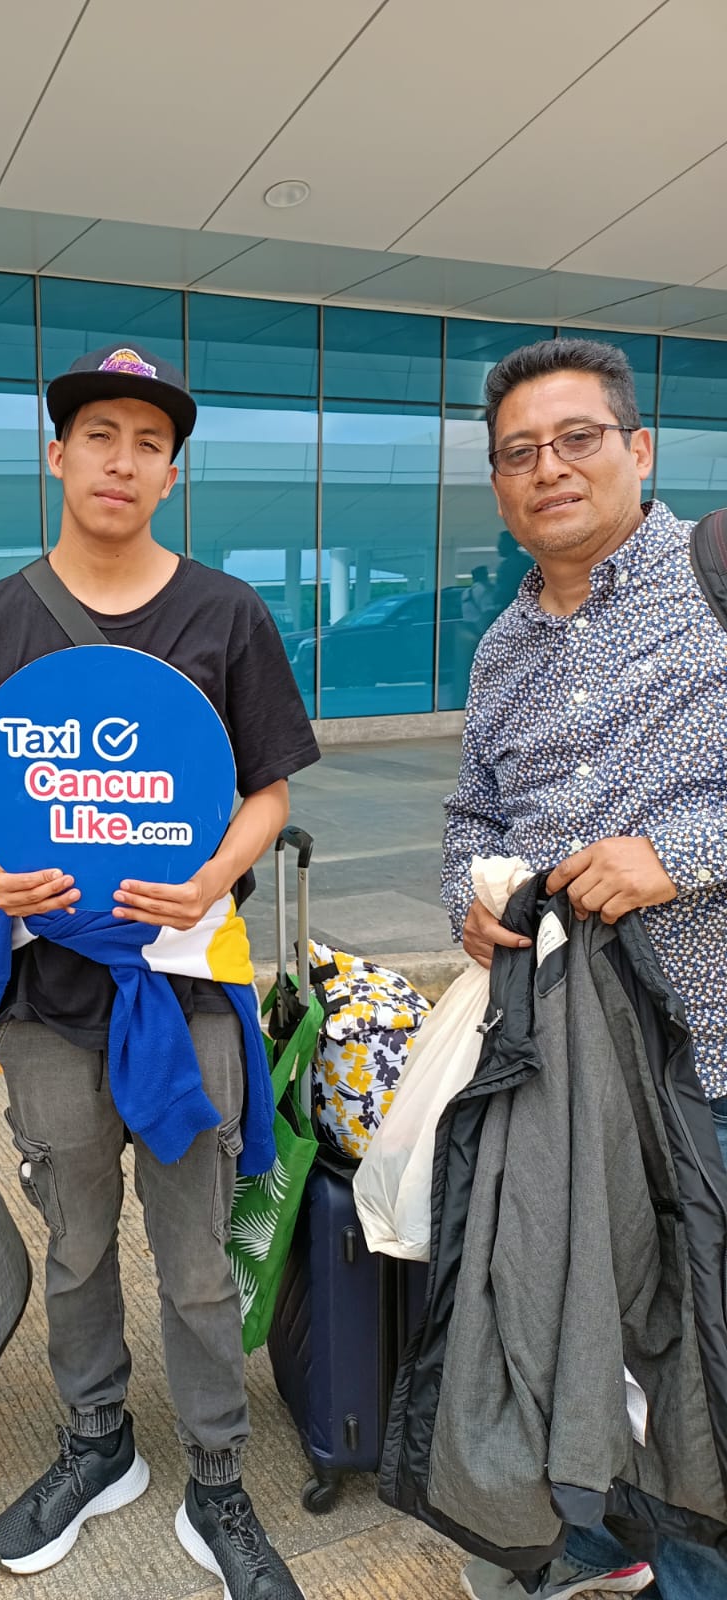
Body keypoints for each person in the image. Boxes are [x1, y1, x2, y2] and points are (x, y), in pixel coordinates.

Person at [0, 344, 321, 1599]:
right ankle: (97, 1440)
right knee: (79, 1240)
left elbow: (266, 790)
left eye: (150, 443)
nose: (122, 459)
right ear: (58, 454)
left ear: (172, 474)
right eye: (100, 434)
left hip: (186, 984)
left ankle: (217, 1472)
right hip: (48, 998)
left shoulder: (226, 615)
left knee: (198, 1252)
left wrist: (212, 878)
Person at [441, 337, 727, 1600]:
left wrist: (682, 853)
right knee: (589, 1331)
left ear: (638, 448)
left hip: (711, 1056)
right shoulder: (501, 647)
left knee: (710, 1360)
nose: (549, 468)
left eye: (577, 439)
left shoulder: (714, 580)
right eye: (520, 453)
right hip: (564, 1069)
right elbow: (474, 813)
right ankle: (606, 1544)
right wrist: (472, 894)